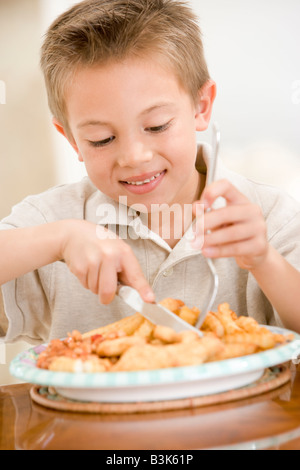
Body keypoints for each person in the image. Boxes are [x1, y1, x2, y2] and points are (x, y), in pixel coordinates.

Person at [1, 0, 300, 345]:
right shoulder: (52, 220)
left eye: (157, 126)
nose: (134, 156)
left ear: (201, 107)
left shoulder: (268, 216)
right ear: (71, 140)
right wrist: (58, 241)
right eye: (103, 139)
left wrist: (263, 260)